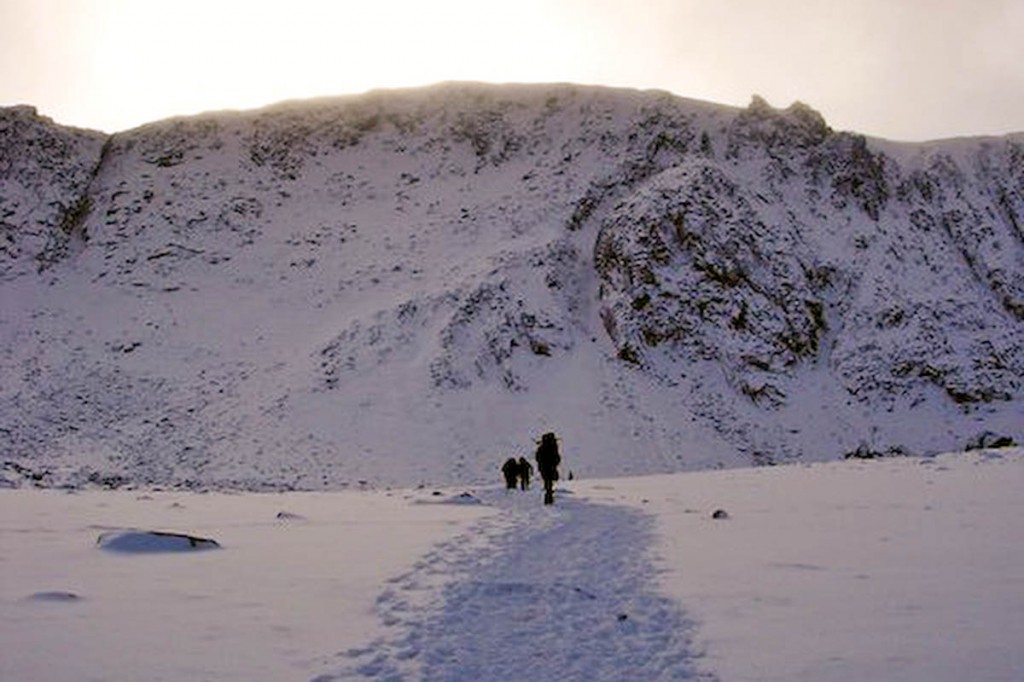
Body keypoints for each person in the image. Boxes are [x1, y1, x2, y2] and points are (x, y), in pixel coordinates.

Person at [535, 432, 561, 504]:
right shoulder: (554, 446)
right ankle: (549, 496)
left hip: (543, 467)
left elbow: (537, 458)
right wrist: (555, 463)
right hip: (551, 467)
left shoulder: (541, 447)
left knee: (547, 480)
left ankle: (548, 495)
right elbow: (557, 457)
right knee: (550, 481)